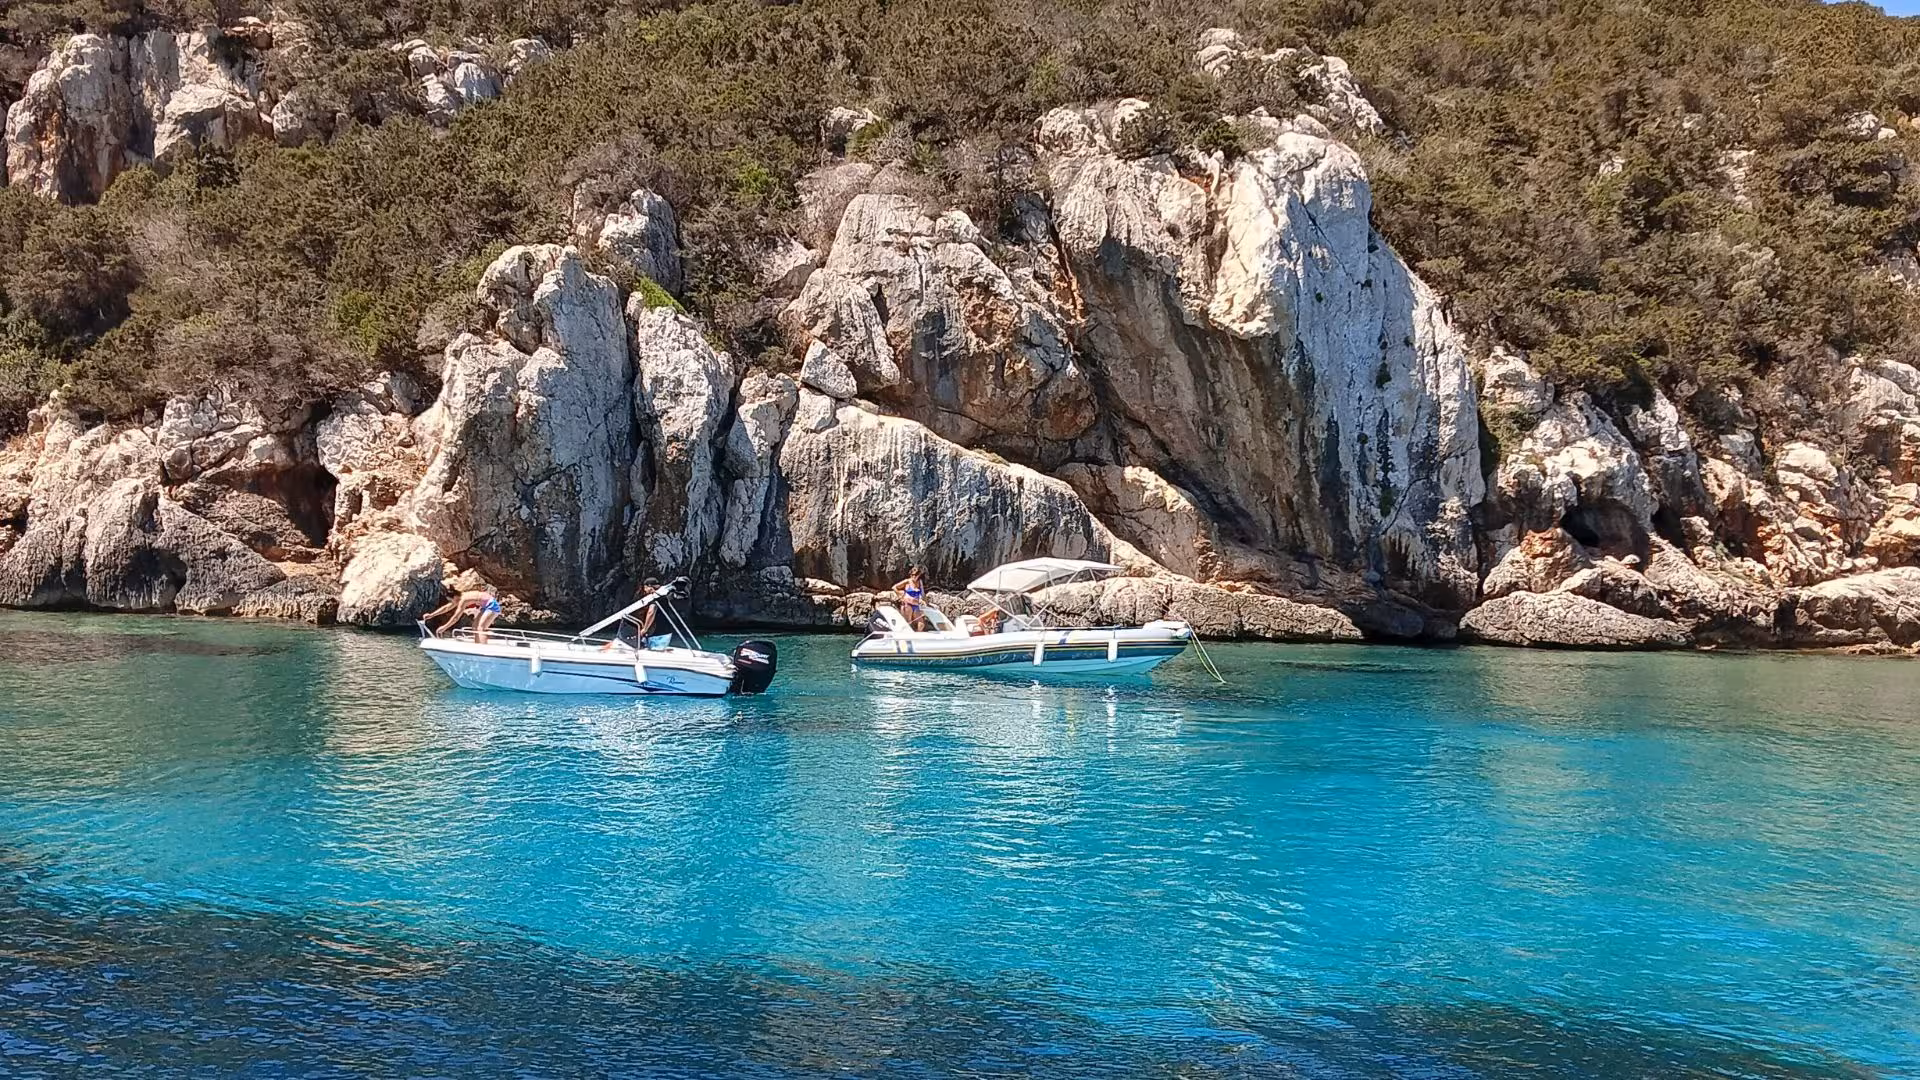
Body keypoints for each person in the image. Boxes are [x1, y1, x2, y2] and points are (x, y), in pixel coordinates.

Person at [601, 579, 672, 652]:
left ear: (649, 586)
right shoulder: (663, 596)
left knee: (653, 652)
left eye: (645, 588)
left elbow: (651, 612)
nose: (645, 591)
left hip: (658, 634)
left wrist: (645, 629)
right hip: (664, 633)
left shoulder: (655, 597)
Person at [425, 587, 502, 644]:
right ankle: (478, 645)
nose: (451, 602)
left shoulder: (463, 600)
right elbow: (446, 608)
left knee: (480, 628)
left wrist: (444, 627)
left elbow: (456, 618)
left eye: (451, 600)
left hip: (492, 606)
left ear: (455, 597)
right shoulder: (460, 597)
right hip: (486, 606)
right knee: (475, 627)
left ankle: (483, 649)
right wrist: (431, 615)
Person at [891, 565, 927, 631]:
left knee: (921, 624)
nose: (914, 576)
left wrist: (923, 601)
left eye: (916, 575)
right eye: (912, 575)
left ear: (919, 575)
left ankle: (917, 636)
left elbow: (922, 594)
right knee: (908, 623)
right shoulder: (907, 581)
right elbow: (894, 587)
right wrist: (901, 594)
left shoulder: (919, 582)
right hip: (907, 605)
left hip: (916, 605)